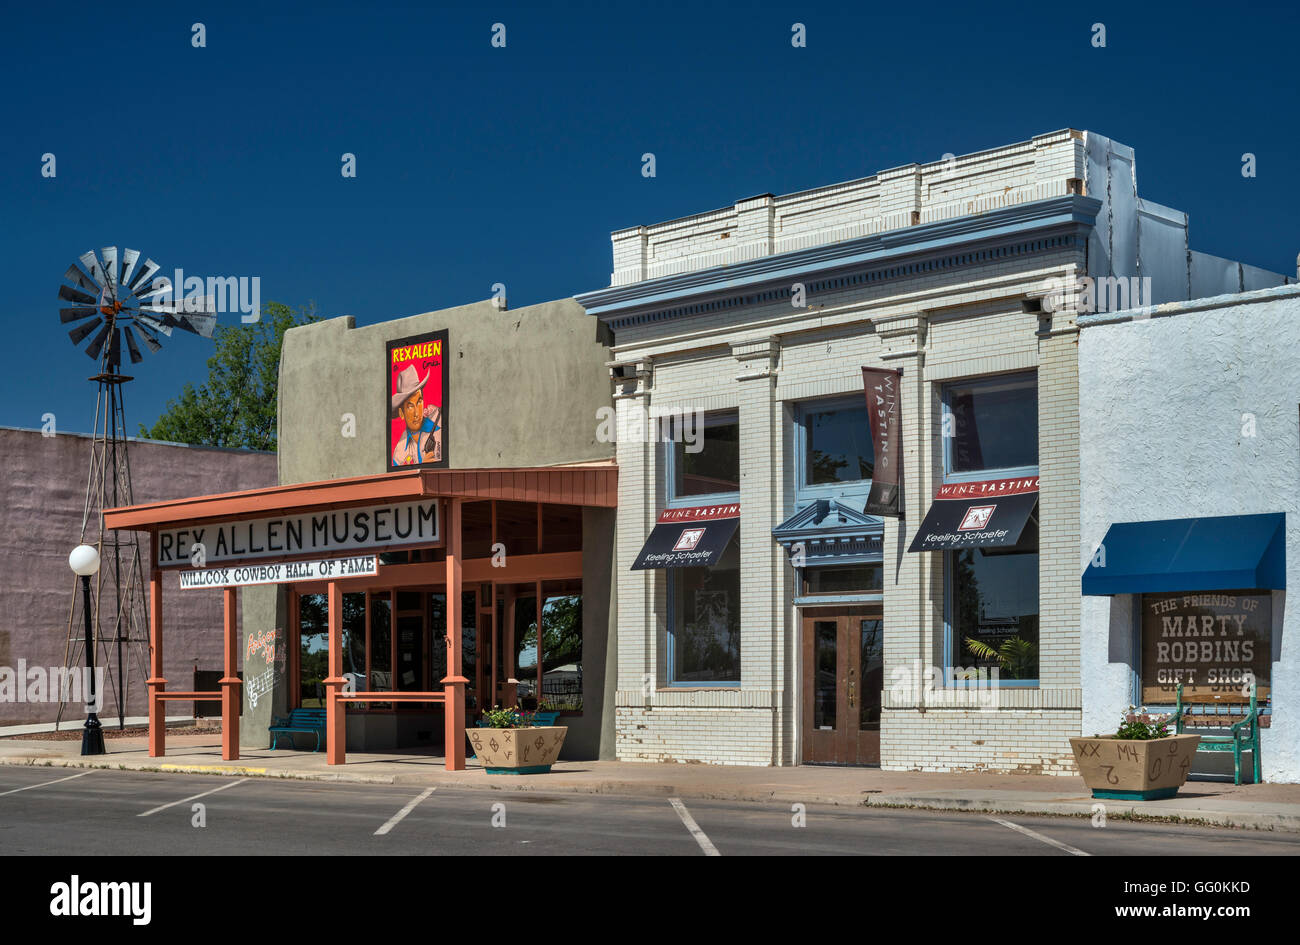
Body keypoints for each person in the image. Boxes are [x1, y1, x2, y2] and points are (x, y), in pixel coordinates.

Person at [390, 363, 442, 465]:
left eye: (419, 402)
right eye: (410, 406)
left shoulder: (439, 424)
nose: (417, 413)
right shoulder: (399, 453)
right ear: (401, 413)